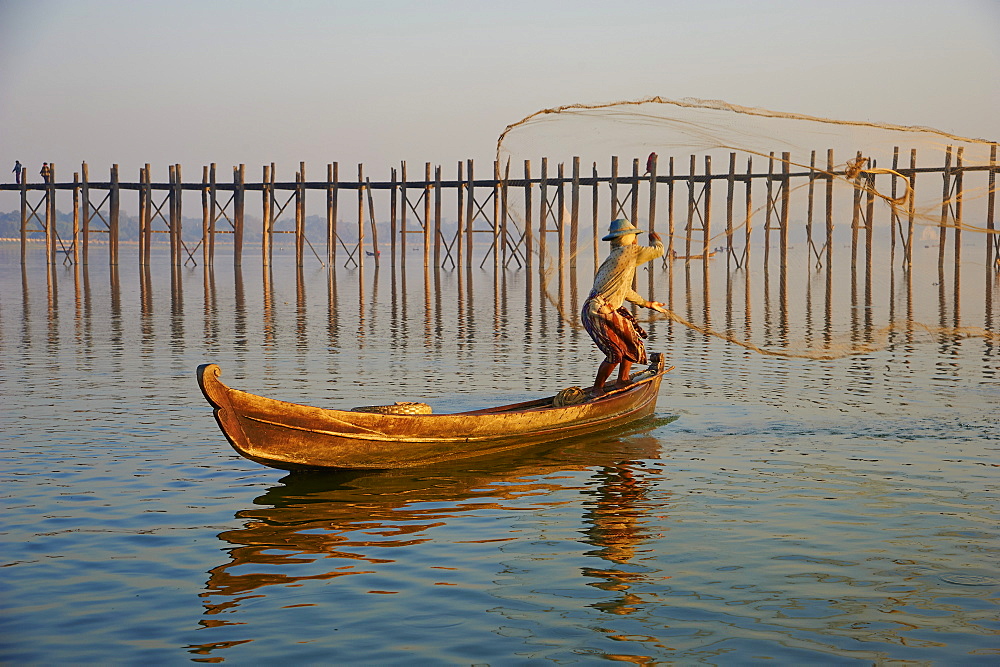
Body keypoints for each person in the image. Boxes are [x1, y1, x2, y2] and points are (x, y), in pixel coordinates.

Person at [582, 218, 668, 391]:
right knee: (615, 353)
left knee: (633, 342)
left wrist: (647, 303)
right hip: (597, 311)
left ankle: (622, 379)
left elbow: (625, 290)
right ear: (627, 238)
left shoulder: (619, 257)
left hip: (607, 308)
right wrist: (655, 238)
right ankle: (597, 390)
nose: (636, 240)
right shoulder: (628, 252)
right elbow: (658, 251)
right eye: (634, 236)